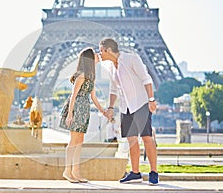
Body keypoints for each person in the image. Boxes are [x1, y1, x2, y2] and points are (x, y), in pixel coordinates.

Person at [98, 38, 158, 185]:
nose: (100, 54)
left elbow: (146, 79)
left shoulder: (132, 59)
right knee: (131, 140)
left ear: (109, 50)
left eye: (101, 51)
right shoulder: (111, 68)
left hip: (141, 104)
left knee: (146, 138)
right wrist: (111, 107)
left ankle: (154, 172)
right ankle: (135, 173)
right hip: (126, 108)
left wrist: (151, 99)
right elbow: (113, 90)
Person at [59, 47, 105, 183]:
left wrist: (103, 110)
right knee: (74, 141)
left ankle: (76, 171)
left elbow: (94, 97)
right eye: (95, 54)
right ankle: (67, 171)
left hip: (84, 109)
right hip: (78, 107)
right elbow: (73, 95)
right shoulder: (82, 75)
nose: (98, 55)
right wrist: (70, 114)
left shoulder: (90, 75)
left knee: (79, 141)